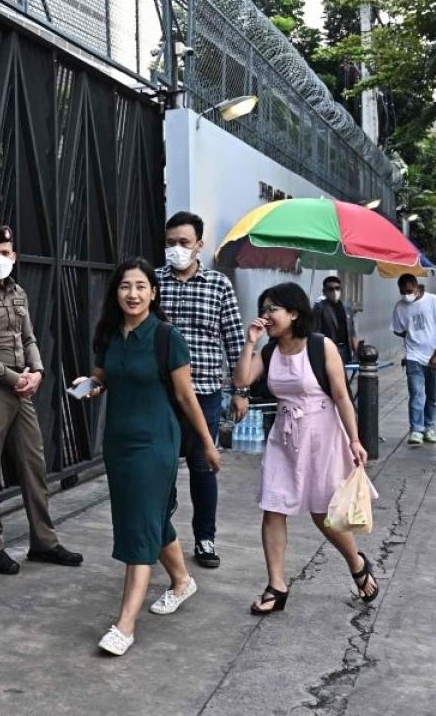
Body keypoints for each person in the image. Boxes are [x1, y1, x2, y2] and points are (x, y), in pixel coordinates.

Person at [76, 258, 221, 656]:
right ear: (116, 292)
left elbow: (185, 397)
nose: (133, 294)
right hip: (118, 442)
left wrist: (207, 444)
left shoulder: (166, 337)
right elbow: (104, 376)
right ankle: (182, 581)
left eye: (141, 286)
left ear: (154, 293)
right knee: (148, 516)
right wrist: (89, 383)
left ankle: (125, 624)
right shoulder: (108, 335)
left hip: (155, 442)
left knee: (138, 526)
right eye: (125, 286)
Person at [233, 282, 378, 614]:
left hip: (323, 434)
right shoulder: (268, 353)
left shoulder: (320, 346)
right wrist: (249, 342)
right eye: (264, 309)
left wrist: (355, 440)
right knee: (273, 506)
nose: (266, 315)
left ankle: (356, 563)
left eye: (273, 309)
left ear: (293, 313)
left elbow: (341, 395)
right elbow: (242, 380)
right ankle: (277, 586)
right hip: (284, 436)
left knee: (323, 512)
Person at [0, 226, 82, 575]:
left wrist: (38, 371)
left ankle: (44, 541)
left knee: (34, 463)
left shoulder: (18, 292)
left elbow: (29, 337)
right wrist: (16, 379)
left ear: (14, 256)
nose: (2, 259)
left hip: (23, 385)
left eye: (7, 253)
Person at [156, 211, 246, 569]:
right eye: (170, 243)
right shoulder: (153, 282)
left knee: (203, 468)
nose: (176, 249)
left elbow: (236, 342)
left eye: (183, 243)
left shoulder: (218, 285)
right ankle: (162, 533)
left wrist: (241, 391)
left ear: (199, 246)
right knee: (161, 465)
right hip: (161, 393)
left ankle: (205, 538)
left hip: (205, 391)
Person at [391, 273, 436, 445]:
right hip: (413, 355)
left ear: (417, 287)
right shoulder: (400, 306)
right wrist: (411, 335)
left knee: (432, 395)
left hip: (432, 356)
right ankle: (417, 429)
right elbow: (397, 328)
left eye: (409, 291)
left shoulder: (432, 301)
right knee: (416, 393)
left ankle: (430, 427)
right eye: (403, 292)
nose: (406, 295)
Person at [313, 276, 359, 364]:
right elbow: (316, 331)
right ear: (324, 291)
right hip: (328, 349)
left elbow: (352, 332)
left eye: (337, 288)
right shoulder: (320, 308)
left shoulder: (346, 308)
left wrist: (357, 351)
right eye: (331, 289)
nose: (335, 292)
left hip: (345, 350)